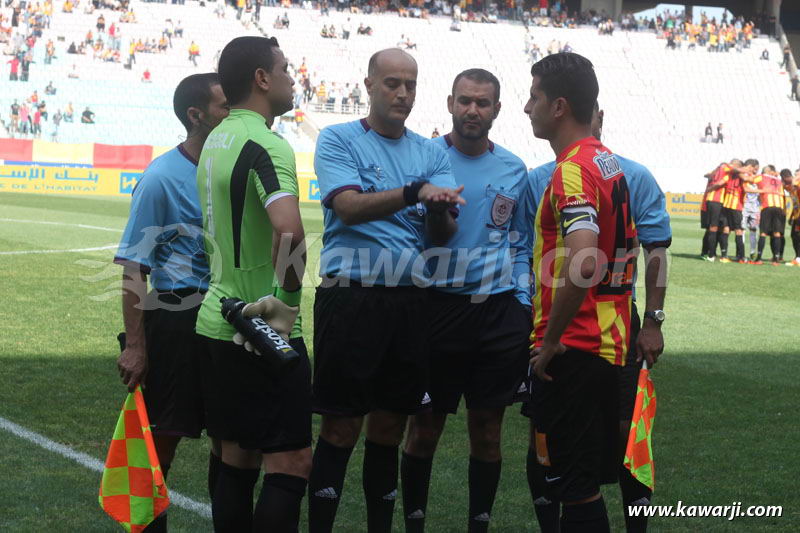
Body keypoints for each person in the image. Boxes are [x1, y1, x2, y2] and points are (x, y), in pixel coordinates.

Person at [308, 48, 464, 533]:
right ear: (369, 85)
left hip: (410, 303)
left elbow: (442, 235)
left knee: (391, 427)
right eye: (392, 83)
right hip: (352, 296)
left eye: (411, 85)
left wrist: (438, 210)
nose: (402, 93)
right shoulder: (337, 140)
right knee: (340, 424)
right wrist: (416, 193)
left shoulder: (432, 150)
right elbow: (349, 208)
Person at [524, 101, 672, 533]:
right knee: (553, 447)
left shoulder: (601, 170)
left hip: (588, 331)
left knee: (612, 448)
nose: (528, 106)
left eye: (535, 97)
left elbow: (651, 250)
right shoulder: (547, 175)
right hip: (579, 325)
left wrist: (652, 320)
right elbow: (525, 248)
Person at [401, 69, 532, 533]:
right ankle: (414, 522)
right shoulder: (423, 157)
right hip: (436, 309)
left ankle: (480, 522)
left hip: (496, 314)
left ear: (497, 109)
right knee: (425, 428)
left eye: (482, 102)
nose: (472, 110)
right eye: (464, 101)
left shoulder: (515, 169)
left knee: (488, 429)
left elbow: (520, 241)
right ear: (450, 103)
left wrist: (521, 299)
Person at [195, 36, 311, 532]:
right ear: (262, 78)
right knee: (291, 463)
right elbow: (289, 229)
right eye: (285, 68)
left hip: (216, 320)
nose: (292, 77)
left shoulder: (215, 139)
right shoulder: (265, 142)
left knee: (236, 460)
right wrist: (285, 305)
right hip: (260, 328)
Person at [114, 73, 230, 533]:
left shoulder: (229, 170)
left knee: (232, 440)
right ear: (196, 115)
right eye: (224, 105)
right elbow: (133, 267)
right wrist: (137, 346)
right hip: (175, 317)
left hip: (224, 315)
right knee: (163, 439)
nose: (232, 112)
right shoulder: (161, 176)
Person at [719, 159, 758, 262]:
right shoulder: (742, 175)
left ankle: (724, 256)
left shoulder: (729, 174)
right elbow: (747, 184)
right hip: (736, 206)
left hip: (725, 204)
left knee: (726, 229)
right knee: (739, 230)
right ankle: (740, 257)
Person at [751, 166, 787, 264]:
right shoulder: (779, 180)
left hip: (767, 206)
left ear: (765, 171)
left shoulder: (761, 177)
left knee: (763, 232)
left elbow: (749, 179)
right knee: (777, 233)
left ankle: (759, 259)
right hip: (779, 207)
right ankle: (775, 260)